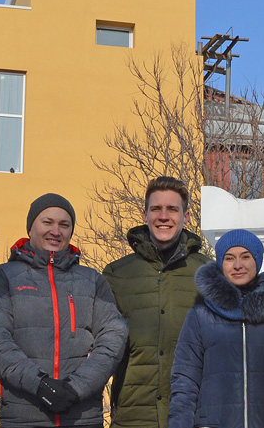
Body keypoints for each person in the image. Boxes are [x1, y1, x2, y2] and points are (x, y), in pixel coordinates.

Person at [0, 193, 128, 428]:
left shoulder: (92, 280)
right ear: (31, 227)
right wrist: (40, 385)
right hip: (22, 416)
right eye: (47, 222)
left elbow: (114, 337)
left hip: (82, 416)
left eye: (64, 225)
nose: (56, 231)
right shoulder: (4, 277)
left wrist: (77, 388)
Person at [103, 177, 210, 428]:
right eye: (156, 209)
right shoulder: (116, 275)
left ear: (185, 215)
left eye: (172, 209)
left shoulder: (207, 273)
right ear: (145, 214)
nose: (164, 216)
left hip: (192, 415)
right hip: (133, 417)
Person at [168, 229, 264, 428]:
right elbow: (185, 380)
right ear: (221, 263)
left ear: (257, 260)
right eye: (229, 258)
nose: (238, 265)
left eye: (245, 257)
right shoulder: (200, 315)